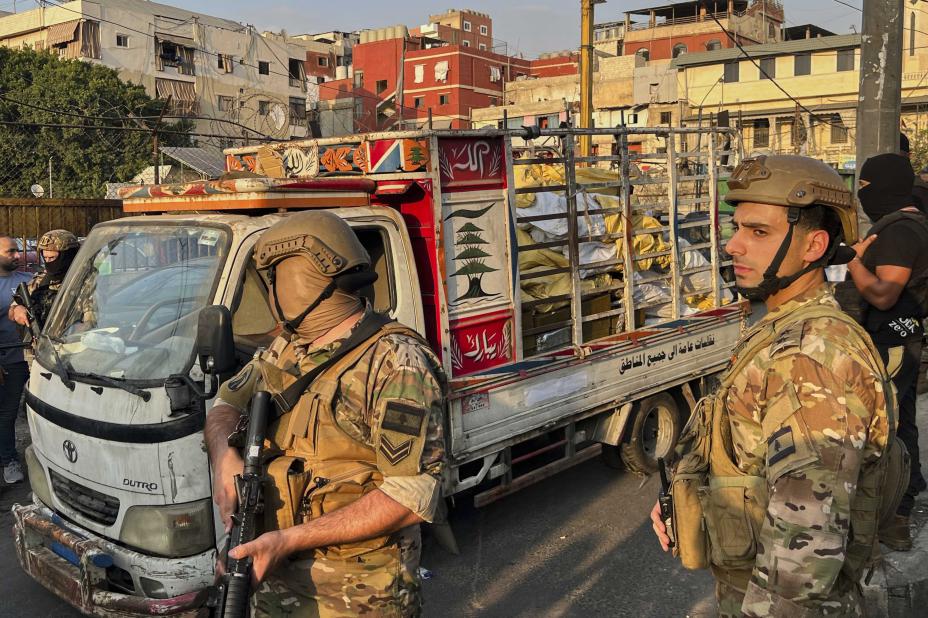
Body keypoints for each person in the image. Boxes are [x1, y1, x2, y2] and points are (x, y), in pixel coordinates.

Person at [650, 155, 896, 616]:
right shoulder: (781, 328)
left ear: (814, 246)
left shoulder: (811, 357)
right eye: (736, 228)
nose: (732, 246)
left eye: (758, 232)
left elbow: (803, 554)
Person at [205, 211, 446, 617]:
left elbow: (411, 496)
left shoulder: (397, 364)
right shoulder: (287, 348)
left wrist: (288, 540)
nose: (271, 291)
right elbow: (225, 405)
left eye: (275, 277)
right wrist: (222, 457)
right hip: (274, 587)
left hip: (355, 598)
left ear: (301, 280)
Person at [843, 152, 928, 550]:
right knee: (899, 423)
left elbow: (883, 294)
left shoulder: (900, 232)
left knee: (880, 430)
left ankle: (891, 517)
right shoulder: (904, 225)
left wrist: (854, 262)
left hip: (891, 343)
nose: (862, 195)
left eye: (865, 187)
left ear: (886, 187)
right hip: (897, 338)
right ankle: (902, 504)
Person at [0, 236, 34, 484]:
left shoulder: (28, 280)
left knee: (18, 412)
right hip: (4, 359)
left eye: (17, 250)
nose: (17, 255)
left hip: (27, 358)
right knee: (5, 413)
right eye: (10, 251)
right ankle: (8, 459)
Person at [9, 229, 80, 329]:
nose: (48, 262)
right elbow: (12, 310)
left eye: (52, 258)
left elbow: (92, 323)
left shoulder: (85, 280)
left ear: (67, 256)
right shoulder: (41, 280)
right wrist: (17, 309)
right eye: (45, 258)